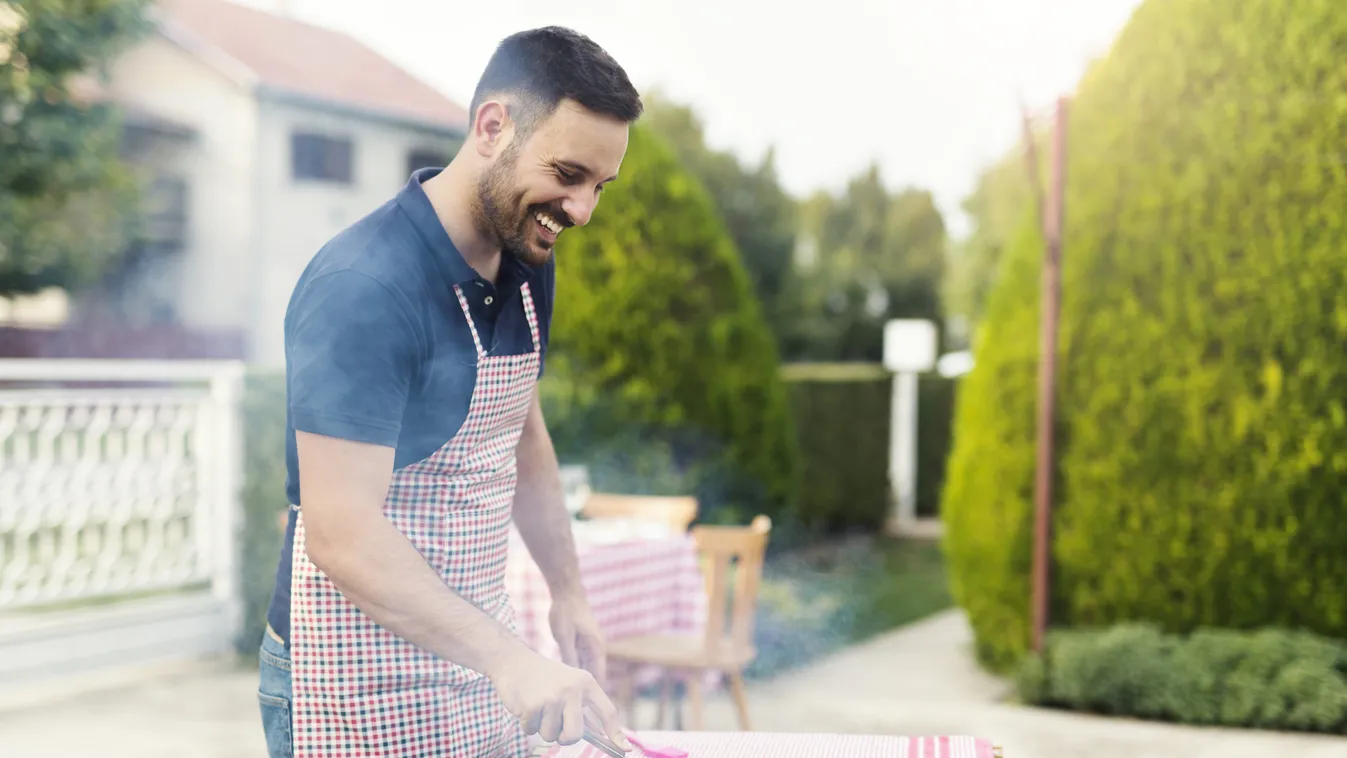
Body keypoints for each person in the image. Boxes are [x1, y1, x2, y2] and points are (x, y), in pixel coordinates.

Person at [256, 26, 643, 758]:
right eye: (567, 173)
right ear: (492, 126)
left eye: (599, 185)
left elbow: (519, 432)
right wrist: (509, 658)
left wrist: (568, 592)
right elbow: (341, 533)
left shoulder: (528, 255)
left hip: (474, 659)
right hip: (350, 675)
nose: (583, 209)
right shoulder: (364, 287)